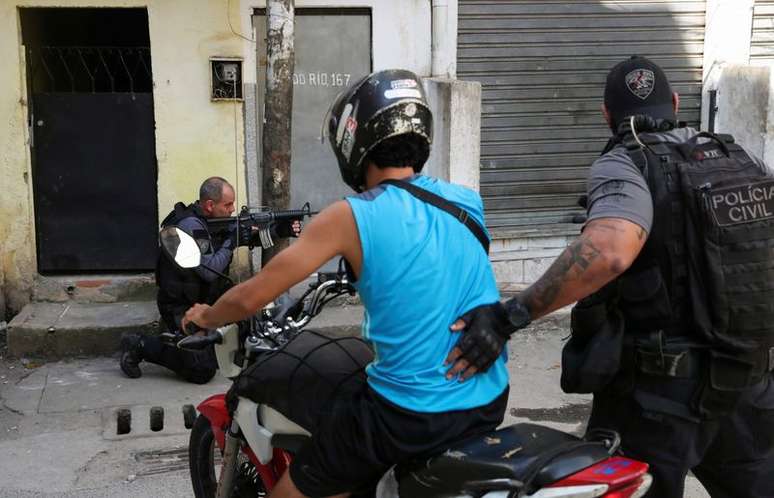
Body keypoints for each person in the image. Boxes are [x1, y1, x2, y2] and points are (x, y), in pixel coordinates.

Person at [445, 56, 774, 497]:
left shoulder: (626, 163)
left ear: (606, 115)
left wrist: (510, 316)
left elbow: (611, 250)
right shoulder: (741, 158)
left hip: (659, 399)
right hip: (749, 385)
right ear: (676, 103)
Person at [182, 69, 510, 498]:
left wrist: (205, 315)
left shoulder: (352, 215)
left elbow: (252, 294)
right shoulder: (466, 201)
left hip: (408, 414)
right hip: (487, 400)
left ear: (354, 142)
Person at [120, 176, 300, 384]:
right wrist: (231, 242)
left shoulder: (214, 221)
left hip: (209, 298)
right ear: (209, 205)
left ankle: (215, 345)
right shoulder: (190, 226)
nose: (232, 209)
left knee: (250, 318)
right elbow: (209, 271)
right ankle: (140, 345)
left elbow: (245, 237)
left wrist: (280, 230)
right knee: (201, 370)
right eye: (228, 204)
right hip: (181, 305)